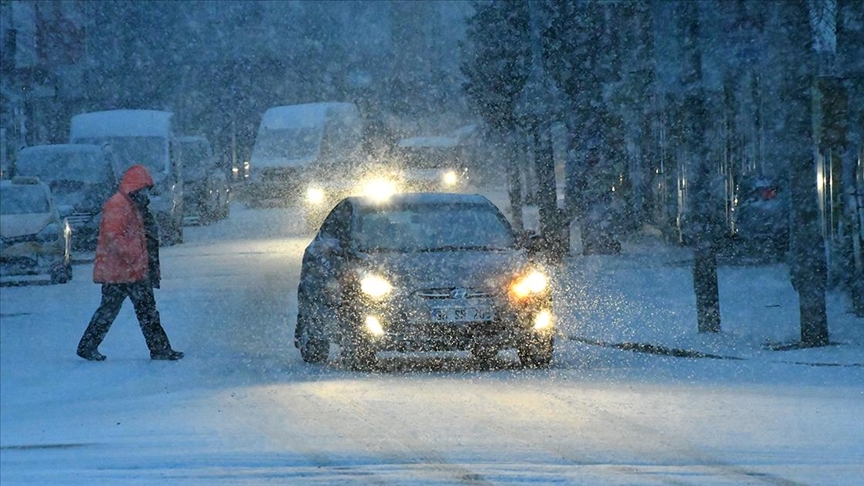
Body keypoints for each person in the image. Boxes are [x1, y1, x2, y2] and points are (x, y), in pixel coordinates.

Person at [77, 164, 184, 361]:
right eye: (143, 189)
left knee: (122, 311)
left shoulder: (131, 205)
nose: (146, 194)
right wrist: (134, 256)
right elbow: (114, 236)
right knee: (141, 311)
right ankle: (159, 349)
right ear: (135, 187)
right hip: (123, 271)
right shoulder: (118, 205)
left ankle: (88, 346)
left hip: (126, 271)